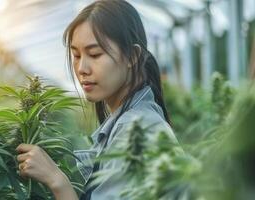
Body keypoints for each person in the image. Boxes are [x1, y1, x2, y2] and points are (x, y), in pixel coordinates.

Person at [16, 0, 178, 199]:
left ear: (132, 56)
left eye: (95, 54)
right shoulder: (127, 122)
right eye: (76, 55)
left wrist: (56, 180)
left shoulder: (136, 129)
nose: (82, 68)